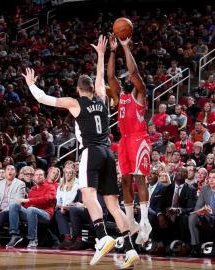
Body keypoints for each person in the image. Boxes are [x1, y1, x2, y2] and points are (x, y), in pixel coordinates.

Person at [22, 35, 139, 268]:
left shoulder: (75, 103)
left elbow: (44, 98)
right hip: (108, 153)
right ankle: (130, 250)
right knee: (113, 205)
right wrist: (101, 55)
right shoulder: (103, 99)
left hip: (91, 152)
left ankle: (102, 235)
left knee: (87, 195)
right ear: (93, 89)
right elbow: (100, 79)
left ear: (77, 89)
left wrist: (31, 84)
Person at [107, 34, 152, 246]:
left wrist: (126, 47)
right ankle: (131, 221)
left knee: (139, 178)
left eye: (127, 78)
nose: (125, 79)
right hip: (124, 140)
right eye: (124, 78)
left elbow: (133, 72)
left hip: (139, 139)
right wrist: (112, 51)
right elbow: (109, 77)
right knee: (124, 181)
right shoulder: (120, 97)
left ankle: (145, 222)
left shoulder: (140, 93)